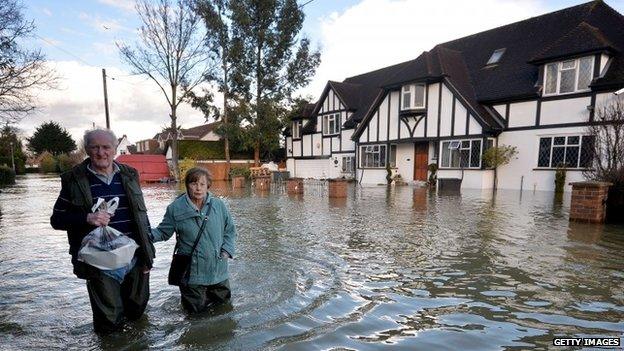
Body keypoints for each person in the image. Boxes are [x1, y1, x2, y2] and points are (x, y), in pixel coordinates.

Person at [50, 128, 155, 333]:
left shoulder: (129, 175)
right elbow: (56, 220)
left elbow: (142, 217)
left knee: (137, 314)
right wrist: (87, 218)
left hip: (134, 257)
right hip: (98, 262)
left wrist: (147, 255)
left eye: (106, 147)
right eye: (94, 147)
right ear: (87, 150)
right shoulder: (74, 180)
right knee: (109, 322)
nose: (101, 153)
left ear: (115, 149)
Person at [151, 167, 237, 313]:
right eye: (194, 183)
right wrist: (141, 234)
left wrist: (226, 251)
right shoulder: (175, 208)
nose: (198, 188)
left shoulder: (219, 205)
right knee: (195, 318)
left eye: (202, 184)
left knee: (224, 312)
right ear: (187, 185)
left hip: (218, 271)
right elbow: (163, 233)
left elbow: (230, 230)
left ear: (207, 186)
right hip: (192, 276)